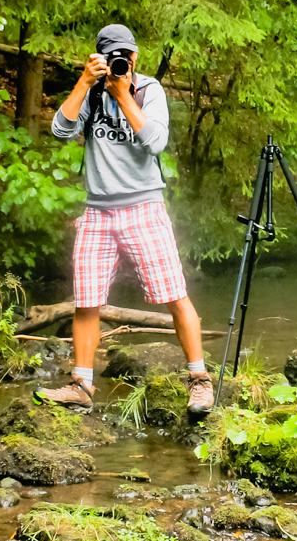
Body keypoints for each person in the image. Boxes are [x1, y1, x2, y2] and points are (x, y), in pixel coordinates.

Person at [36, 24, 214, 415]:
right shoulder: (92, 90)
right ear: (99, 57)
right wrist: (85, 82)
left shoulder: (150, 91)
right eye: (113, 55)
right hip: (97, 210)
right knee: (86, 302)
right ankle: (81, 385)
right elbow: (60, 130)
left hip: (144, 208)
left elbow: (155, 142)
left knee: (174, 294)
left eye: (127, 55)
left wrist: (124, 95)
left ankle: (199, 381)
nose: (123, 61)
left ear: (135, 56)